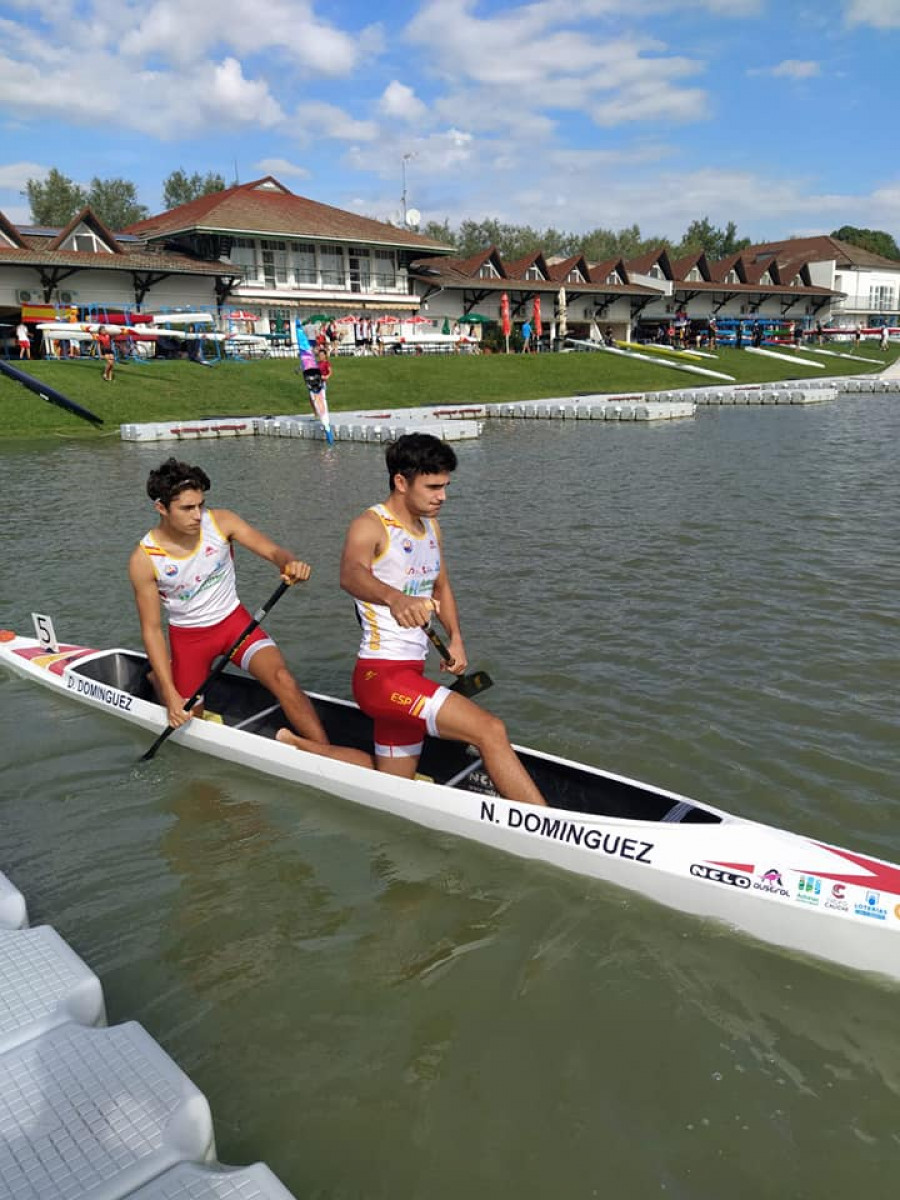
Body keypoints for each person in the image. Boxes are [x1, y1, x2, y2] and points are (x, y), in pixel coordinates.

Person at [336, 433, 546, 807]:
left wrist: (456, 639)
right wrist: (394, 597)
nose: (442, 496)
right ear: (401, 482)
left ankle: (294, 745)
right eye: (433, 486)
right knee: (489, 730)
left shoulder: (431, 528)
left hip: (410, 678)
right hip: (380, 678)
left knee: (392, 794)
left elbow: (442, 588)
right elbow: (351, 574)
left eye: (445, 486)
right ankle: (547, 825)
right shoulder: (369, 526)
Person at [129, 457, 372, 768]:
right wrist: (174, 699)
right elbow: (151, 629)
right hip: (190, 640)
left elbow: (271, 551)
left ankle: (325, 756)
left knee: (283, 678)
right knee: (190, 721)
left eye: (200, 505)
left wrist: (288, 563)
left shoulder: (222, 523)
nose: (197, 515)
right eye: (187, 509)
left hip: (235, 625)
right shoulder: (144, 559)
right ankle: (161, 682)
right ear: (161, 508)